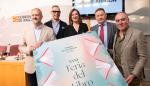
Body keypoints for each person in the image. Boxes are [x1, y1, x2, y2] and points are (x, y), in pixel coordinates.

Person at [19, 8, 55, 86]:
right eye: (33, 15)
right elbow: (21, 47)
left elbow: (54, 47)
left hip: (45, 66)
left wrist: (43, 44)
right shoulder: (25, 30)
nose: (35, 16)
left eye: (37, 15)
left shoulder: (49, 30)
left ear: (41, 16)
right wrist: (28, 49)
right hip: (31, 66)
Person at [113, 12, 147, 86]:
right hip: (118, 74)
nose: (120, 22)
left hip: (131, 75)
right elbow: (119, 52)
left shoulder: (138, 34)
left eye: (123, 20)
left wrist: (133, 74)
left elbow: (143, 57)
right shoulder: (116, 35)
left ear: (128, 20)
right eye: (117, 21)